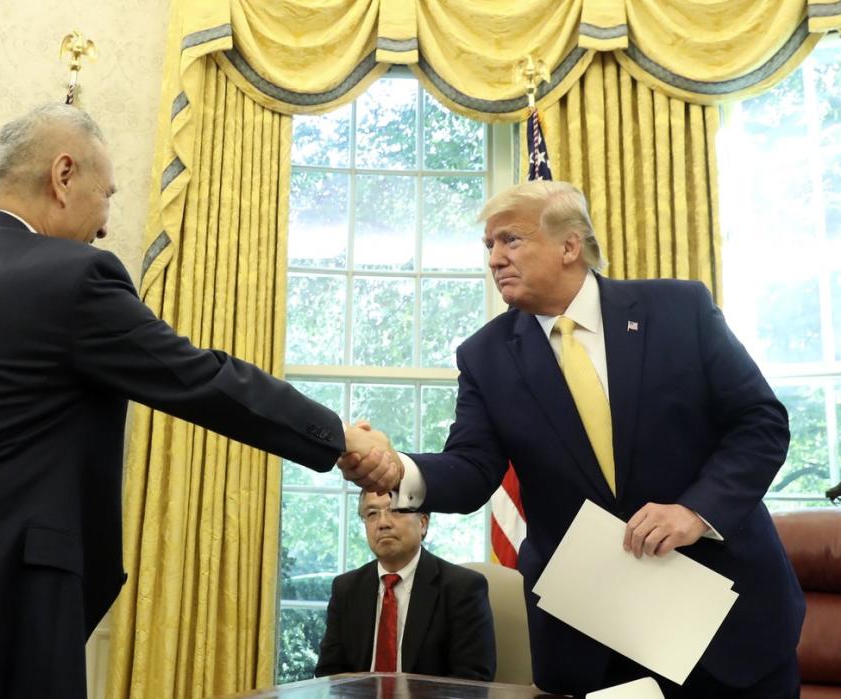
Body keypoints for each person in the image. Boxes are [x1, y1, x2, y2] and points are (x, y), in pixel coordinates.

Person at [0, 104, 394, 699]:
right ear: (64, 175)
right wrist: (339, 437)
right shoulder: (68, 276)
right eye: (107, 194)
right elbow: (200, 379)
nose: (107, 220)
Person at [341, 180, 805, 697]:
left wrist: (694, 512)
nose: (495, 259)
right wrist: (398, 469)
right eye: (488, 247)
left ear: (570, 245)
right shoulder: (485, 355)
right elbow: (472, 469)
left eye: (510, 240)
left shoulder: (679, 309)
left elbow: (759, 423)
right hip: (595, 639)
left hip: (726, 624)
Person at [315, 490, 495, 681]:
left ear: (423, 523)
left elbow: (471, 682)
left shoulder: (463, 589)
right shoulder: (346, 588)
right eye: (372, 514)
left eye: (396, 511)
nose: (383, 523)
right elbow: (329, 674)